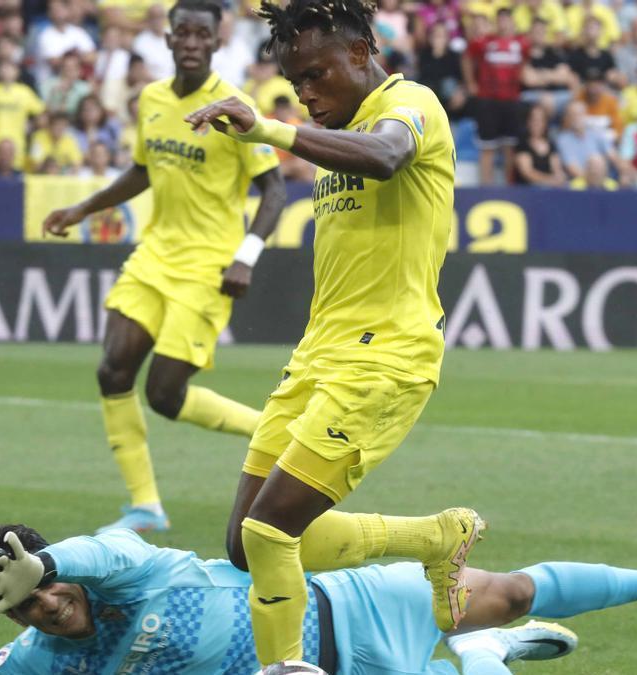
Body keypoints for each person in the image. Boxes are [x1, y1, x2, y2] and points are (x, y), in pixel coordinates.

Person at [183, 0, 481, 668]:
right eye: (296, 84)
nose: (308, 94)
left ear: (361, 50)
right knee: (244, 540)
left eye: (317, 75)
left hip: (388, 356)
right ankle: (439, 537)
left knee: (268, 529)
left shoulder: (412, 104)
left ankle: (284, 665)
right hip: (320, 353)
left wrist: (270, 128)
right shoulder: (337, 130)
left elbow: (386, 156)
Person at [42, 0, 286, 535]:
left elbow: (274, 190)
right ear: (169, 39)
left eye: (204, 34)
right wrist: (83, 208)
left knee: (164, 396)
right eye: (184, 33)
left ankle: (275, 431)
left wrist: (246, 257)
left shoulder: (234, 106)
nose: (193, 42)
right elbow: (142, 170)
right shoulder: (151, 99)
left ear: (219, 42)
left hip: (209, 267)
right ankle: (145, 505)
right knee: (112, 371)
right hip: (154, 256)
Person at [0, 519, 637, 675]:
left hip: (348, 602)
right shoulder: (39, 658)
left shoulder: (120, 569)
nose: (47, 609)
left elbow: (99, 548)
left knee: (511, 591)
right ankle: (481, 660)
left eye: (45, 589)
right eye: (27, 605)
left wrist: (52, 556)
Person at [462, 8, 530, 185]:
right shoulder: (485, 42)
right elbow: (467, 57)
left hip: (511, 100)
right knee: (488, 147)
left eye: (507, 20)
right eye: (500, 20)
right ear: (496, 23)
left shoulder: (521, 44)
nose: (503, 24)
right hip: (488, 100)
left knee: (509, 147)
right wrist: (470, 82)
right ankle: (486, 187)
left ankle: (509, 187)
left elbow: (525, 65)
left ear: (512, 22)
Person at [513, 105, 566, 187]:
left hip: (549, 191)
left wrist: (560, 177)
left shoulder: (551, 144)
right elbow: (527, 173)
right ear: (528, 122)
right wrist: (549, 180)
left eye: (541, 120)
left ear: (545, 123)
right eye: (534, 120)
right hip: (526, 191)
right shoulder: (522, 144)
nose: (537, 123)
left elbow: (557, 169)